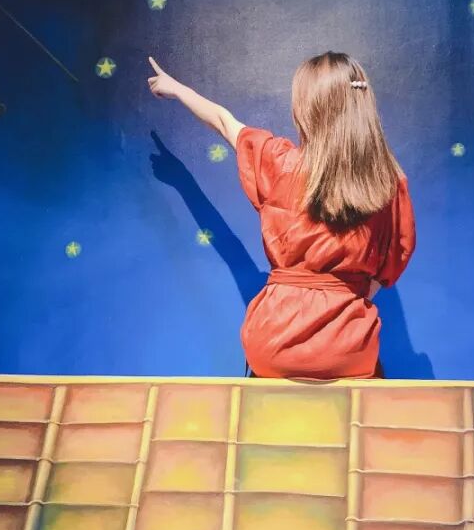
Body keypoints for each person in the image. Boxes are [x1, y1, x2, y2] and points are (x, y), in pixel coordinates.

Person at [147, 51, 416, 379]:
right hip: (348, 347)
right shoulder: (388, 182)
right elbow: (394, 260)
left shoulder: (279, 162)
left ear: (307, 107)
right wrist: (347, 293)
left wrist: (176, 88)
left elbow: (223, 122)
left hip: (273, 343)